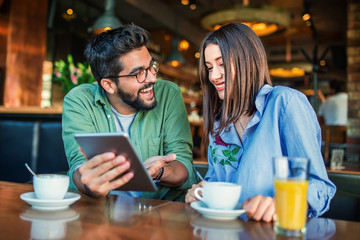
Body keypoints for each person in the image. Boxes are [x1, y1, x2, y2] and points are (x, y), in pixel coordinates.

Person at [185, 23, 336, 222]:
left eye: (221, 64)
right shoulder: (219, 122)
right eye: (209, 67)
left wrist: (282, 204)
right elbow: (217, 181)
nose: (213, 76)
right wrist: (200, 192)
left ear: (247, 61)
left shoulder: (285, 103)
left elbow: (320, 187)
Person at [62, 24, 198, 201]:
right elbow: (78, 166)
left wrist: (159, 172)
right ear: (108, 85)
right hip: (100, 212)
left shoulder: (169, 94)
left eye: (151, 66)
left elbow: (184, 166)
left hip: (159, 211)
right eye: (138, 73)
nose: (152, 78)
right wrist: (89, 182)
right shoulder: (79, 100)